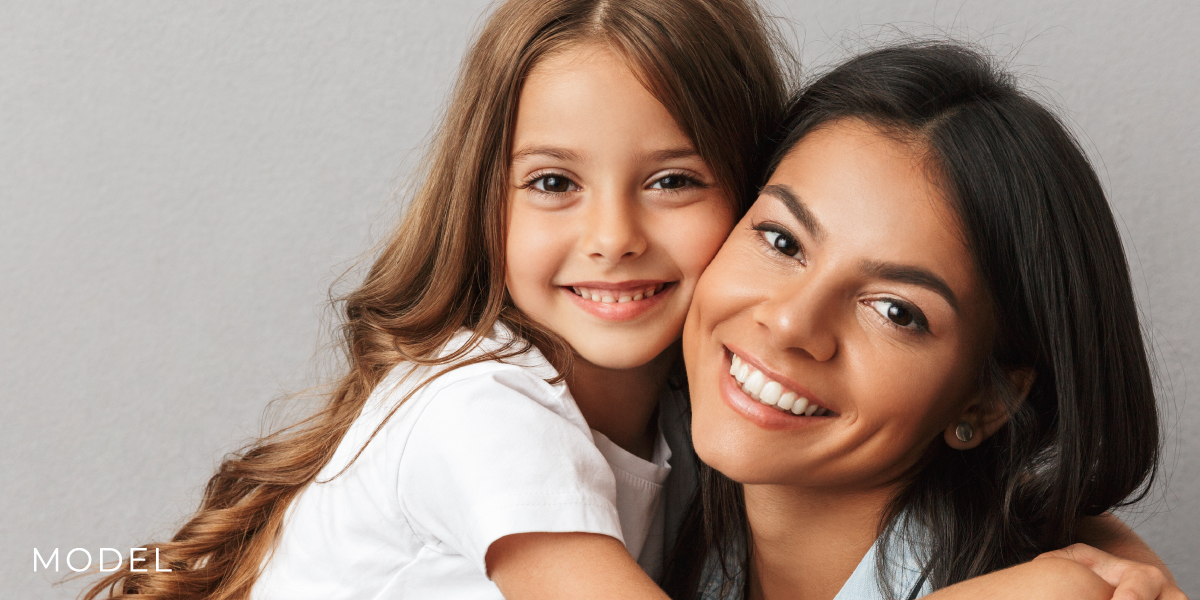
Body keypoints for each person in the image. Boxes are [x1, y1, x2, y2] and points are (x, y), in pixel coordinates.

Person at [81, 0, 788, 599]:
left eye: (672, 181)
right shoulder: (481, 405)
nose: (612, 238)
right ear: (482, 201)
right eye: (552, 184)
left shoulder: (687, 431)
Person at [668, 41, 1185, 600]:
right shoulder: (662, 492)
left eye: (897, 311)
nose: (792, 322)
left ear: (987, 401)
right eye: (782, 240)